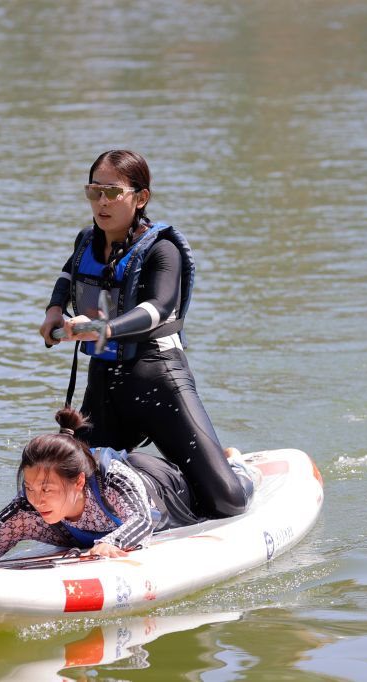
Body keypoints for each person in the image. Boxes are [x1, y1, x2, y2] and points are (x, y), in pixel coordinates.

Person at [39, 149, 252, 519]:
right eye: (94, 192)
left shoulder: (162, 249)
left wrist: (100, 328)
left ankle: (234, 466)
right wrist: (54, 310)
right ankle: (157, 483)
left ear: (140, 198)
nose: (102, 202)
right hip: (105, 383)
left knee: (227, 503)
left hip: (158, 379)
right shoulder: (87, 240)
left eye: (112, 192)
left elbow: (158, 308)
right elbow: (67, 275)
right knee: (78, 493)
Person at [0, 407, 203, 575]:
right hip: (119, 516)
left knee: (219, 497)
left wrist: (113, 542)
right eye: (30, 487)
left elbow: (142, 520)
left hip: (165, 488)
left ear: (79, 482)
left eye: (47, 489)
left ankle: (224, 462)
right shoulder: (27, 509)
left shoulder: (111, 481)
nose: (37, 499)